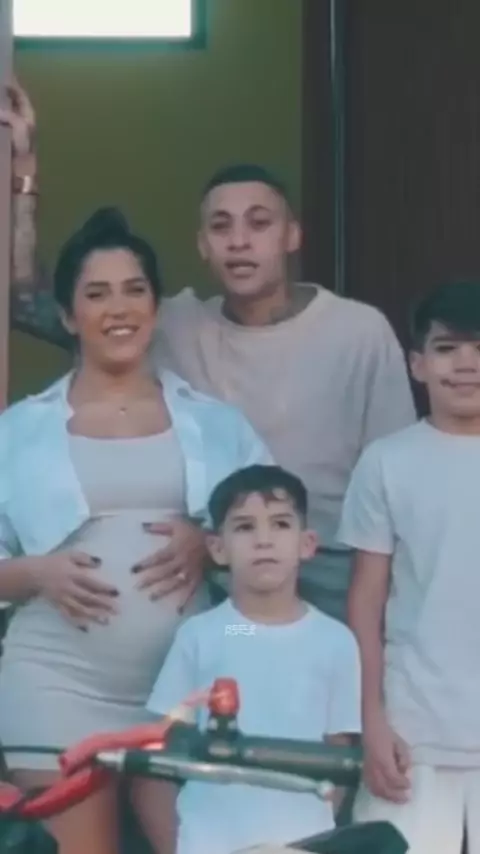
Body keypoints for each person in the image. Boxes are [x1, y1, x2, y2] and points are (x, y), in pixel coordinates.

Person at [2, 80, 416, 622]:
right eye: (221, 227)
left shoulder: (359, 332)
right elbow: (29, 297)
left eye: (259, 223)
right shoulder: (171, 323)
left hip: (337, 580)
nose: (239, 241)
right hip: (222, 587)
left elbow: (400, 486)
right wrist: (22, 170)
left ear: (293, 235)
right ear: (202, 244)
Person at [0, 207, 271, 854]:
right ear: (69, 316)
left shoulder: (217, 423)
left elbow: (277, 538)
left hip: (190, 687)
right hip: (55, 682)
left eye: (134, 289)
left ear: (154, 306)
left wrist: (209, 543)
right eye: (96, 294)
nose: (118, 308)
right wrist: (36, 572)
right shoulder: (19, 430)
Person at [138, 464, 361, 854]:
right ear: (217, 548)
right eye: (244, 527)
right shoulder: (205, 635)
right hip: (207, 843)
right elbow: (155, 758)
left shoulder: (335, 641)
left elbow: (338, 760)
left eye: (280, 524)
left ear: (307, 543)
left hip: (301, 844)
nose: (264, 540)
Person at [338, 281, 480, 854]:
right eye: (447, 348)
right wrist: (371, 719)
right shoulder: (387, 462)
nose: (465, 364)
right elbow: (365, 602)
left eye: (479, 348)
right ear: (417, 364)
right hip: (413, 732)